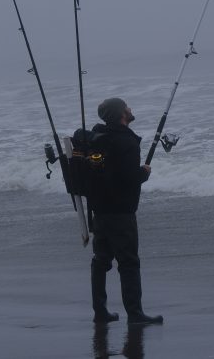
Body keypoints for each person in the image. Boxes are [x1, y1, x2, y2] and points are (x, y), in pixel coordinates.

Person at [87, 97, 163, 325]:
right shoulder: (126, 141)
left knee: (101, 261)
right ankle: (135, 314)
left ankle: (100, 312)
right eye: (127, 107)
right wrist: (144, 173)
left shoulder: (97, 138)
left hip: (99, 211)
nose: (130, 109)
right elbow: (128, 178)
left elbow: (107, 173)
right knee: (129, 263)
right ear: (122, 114)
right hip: (121, 212)